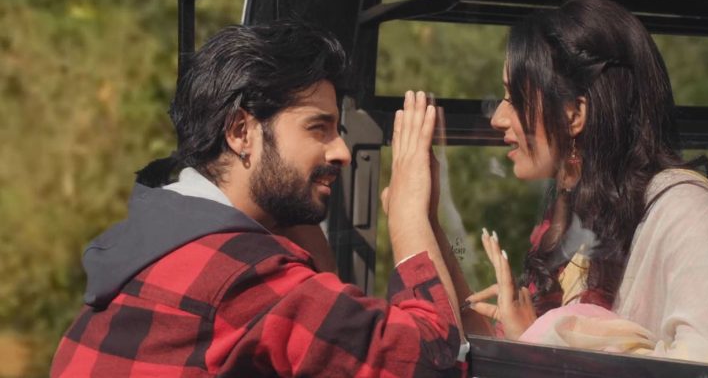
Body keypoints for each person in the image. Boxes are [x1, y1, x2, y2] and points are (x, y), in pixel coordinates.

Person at [50, 21, 466, 377]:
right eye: (318, 128)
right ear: (240, 132)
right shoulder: (245, 274)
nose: (342, 152)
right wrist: (411, 215)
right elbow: (435, 360)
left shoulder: (156, 243)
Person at [461, 0, 708, 366]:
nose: (498, 119)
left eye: (516, 98)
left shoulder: (688, 215)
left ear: (574, 114)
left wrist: (540, 340)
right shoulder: (584, 216)